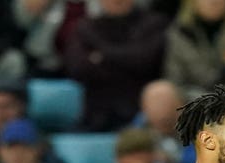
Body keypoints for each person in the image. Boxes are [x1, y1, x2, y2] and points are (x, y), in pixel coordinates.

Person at [63, 0, 167, 131]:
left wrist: (101, 55)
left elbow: (145, 61)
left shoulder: (155, 24)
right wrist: (128, 60)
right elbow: (77, 68)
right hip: (95, 118)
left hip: (142, 114)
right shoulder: (85, 27)